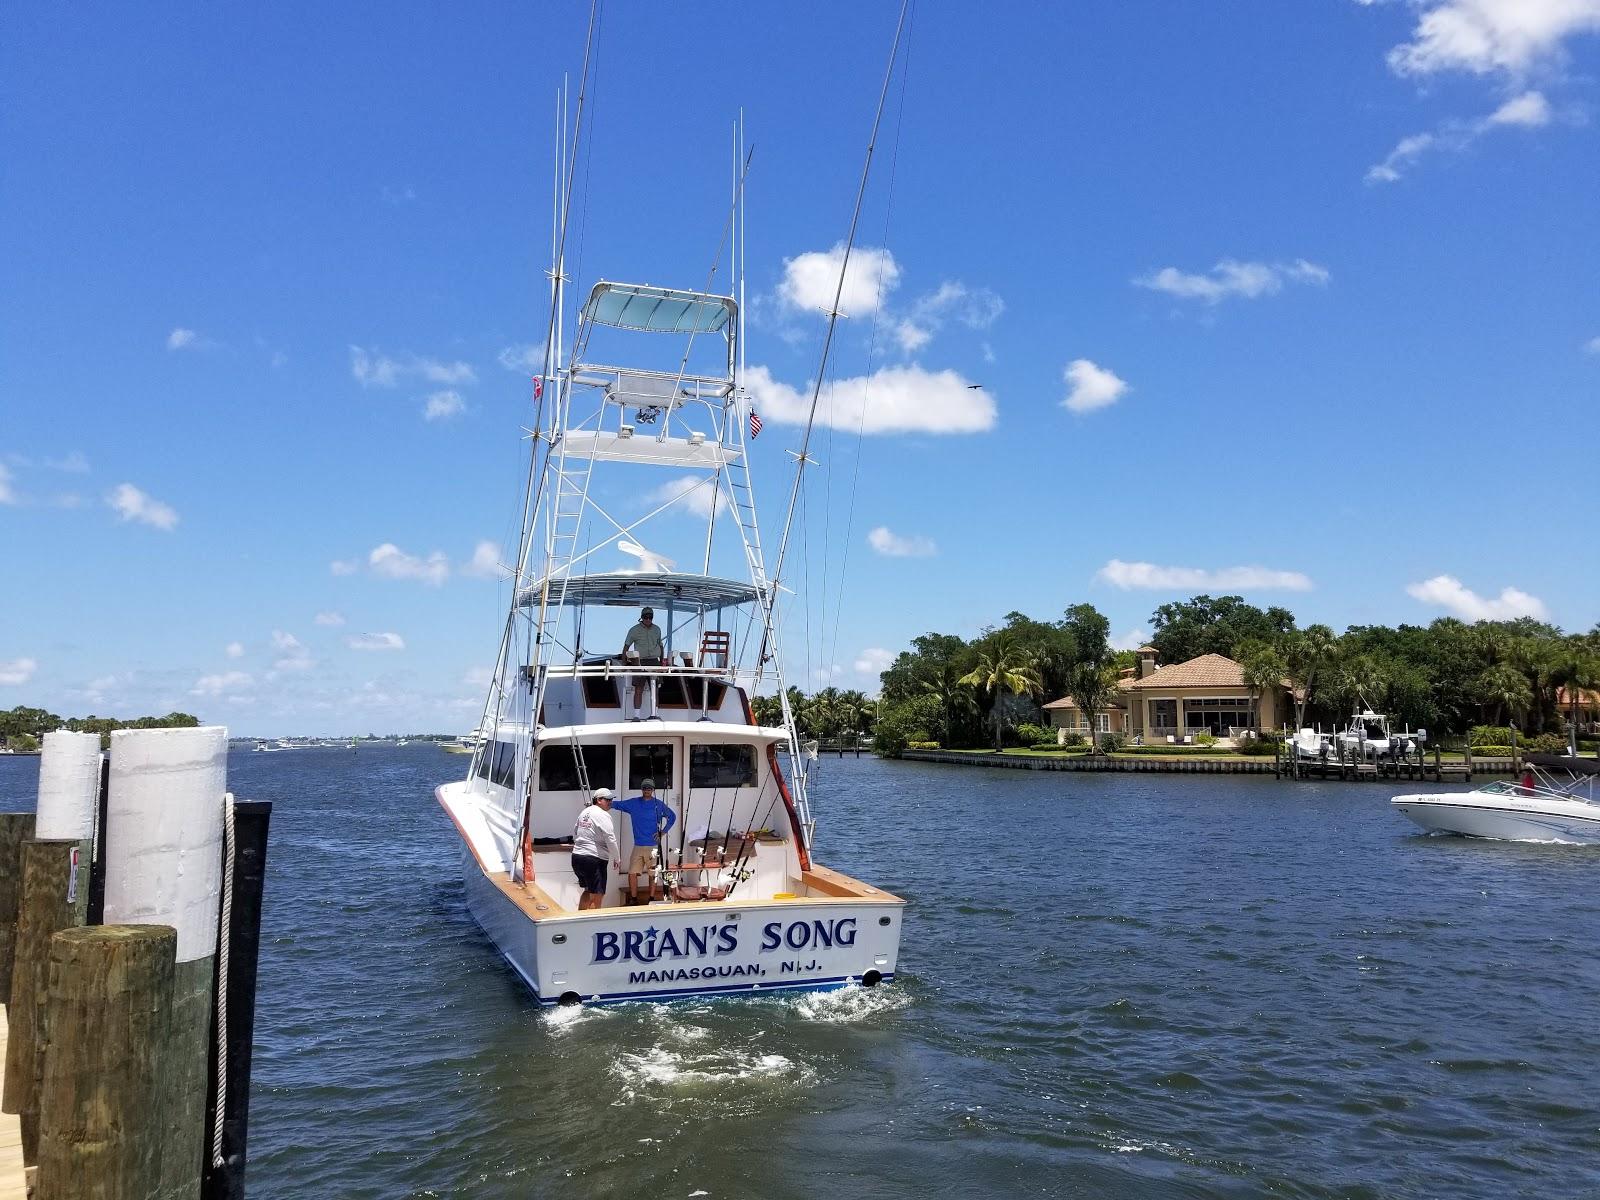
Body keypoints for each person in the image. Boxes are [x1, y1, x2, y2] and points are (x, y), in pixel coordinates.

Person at [613, 779, 676, 893]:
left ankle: (651, 898)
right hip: (638, 846)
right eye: (645, 788)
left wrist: (663, 831)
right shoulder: (633, 803)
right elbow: (617, 804)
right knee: (632, 873)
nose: (647, 790)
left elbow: (672, 816)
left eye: (650, 788)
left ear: (653, 790)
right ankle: (633, 899)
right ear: (641, 789)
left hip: (653, 846)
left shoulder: (659, 804)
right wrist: (601, 803)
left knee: (652, 874)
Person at [571, 787, 620, 911]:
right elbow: (610, 838)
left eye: (611, 800)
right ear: (598, 800)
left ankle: (580, 921)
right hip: (593, 860)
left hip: (577, 857)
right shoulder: (603, 815)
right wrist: (617, 858)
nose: (610, 802)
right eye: (607, 799)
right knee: (597, 894)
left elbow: (575, 832)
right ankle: (592, 926)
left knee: (588, 890)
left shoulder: (585, 812)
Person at [621, 606, 665, 718]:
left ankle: (655, 714)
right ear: (641, 617)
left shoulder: (657, 629)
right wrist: (624, 664)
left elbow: (660, 645)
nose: (648, 619)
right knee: (638, 688)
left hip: (655, 661)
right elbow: (626, 647)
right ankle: (637, 716)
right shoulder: (634, 630)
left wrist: (661, 662)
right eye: (646, 617)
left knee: (655, 688)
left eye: (650, 617)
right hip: (639, 661)